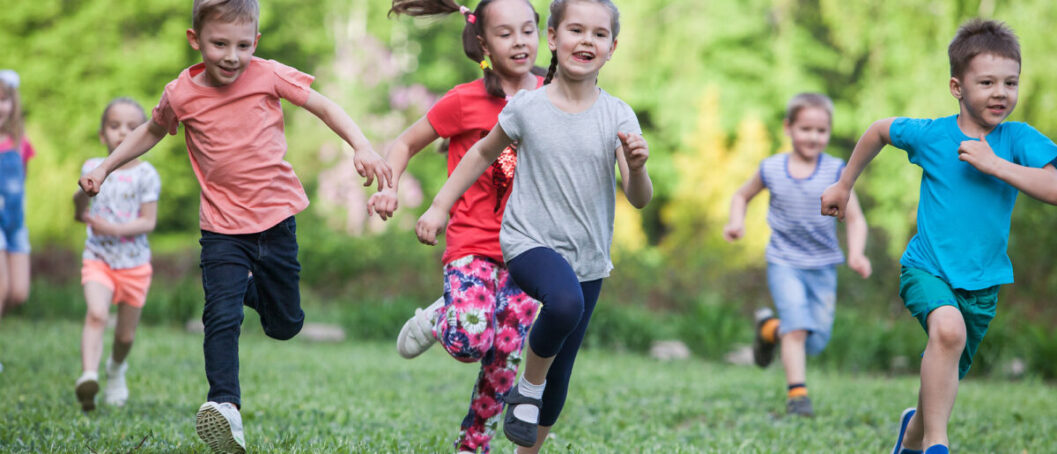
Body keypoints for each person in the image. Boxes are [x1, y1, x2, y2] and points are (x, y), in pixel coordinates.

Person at [77, 1, 391, 451]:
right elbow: (150, 129)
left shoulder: (268, 74)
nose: (231, 56)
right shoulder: (181, 93)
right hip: (222, 229)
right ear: (195, 40)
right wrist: (105, 168)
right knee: (219, 316)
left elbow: (323, 106)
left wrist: (361, 146)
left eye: (243, 45)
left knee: (286, 325)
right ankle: (225, 407)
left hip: (277, 222)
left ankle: (243, 289)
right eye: (219, 43)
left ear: (256, 43)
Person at [416, 1, 651, 451]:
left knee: (560, 371)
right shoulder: (528, 107)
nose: (586, 41)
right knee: (562, 304)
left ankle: (529, 435)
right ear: (553, 38)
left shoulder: (618, 116)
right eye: (575, 30)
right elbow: (482, 153)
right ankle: (526, 387)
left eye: (599, 34)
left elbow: (639, 198)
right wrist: (439, 207)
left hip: (589, 258)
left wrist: (638, 167)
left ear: (613, 47)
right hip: (527, 242)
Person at [820, 19, 1057, 454]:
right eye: (986, 82)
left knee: (940, 384)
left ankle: (915, 434)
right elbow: (879, 129)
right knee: (947, 331)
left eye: (1011, 82)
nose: (1001, 93)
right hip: (926, 268)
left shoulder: (1018, 139)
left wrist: (995, 164)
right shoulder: (932, 135)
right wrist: (844, 184)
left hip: (982, 286)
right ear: (957, 87)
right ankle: (936, 446)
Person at [377, 1, 543, 452]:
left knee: (503, 363)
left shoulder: (554, 94)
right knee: (471, 340)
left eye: (528, 30)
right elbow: (405, 142)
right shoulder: (464, 100)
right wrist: (389, 188)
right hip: (472, 242)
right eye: (506, 34)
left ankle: (473, 446)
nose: (520, 41)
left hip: (532, 253)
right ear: (485, 44)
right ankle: (441, 317)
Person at [723, 93, 871, 417]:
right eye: (806, 129)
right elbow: (741, 196)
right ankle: (798, 397)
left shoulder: (836, 170)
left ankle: (768, 329)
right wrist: (736, 222)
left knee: (814, 341)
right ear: (788, 128)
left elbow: (856, 218)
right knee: (798, 328)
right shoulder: (772, 168)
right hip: (784, 262)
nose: (814, 137)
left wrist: (857, 253)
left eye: (821, 131)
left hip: (823, 266)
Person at [73, 98, 160, 412]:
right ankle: (88, 376)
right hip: (99, 259)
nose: (122, 132)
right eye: (114, 126)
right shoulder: (91, 168)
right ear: (102, 134)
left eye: (131, 127)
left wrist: (111, 228)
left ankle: (115, 370)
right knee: (96, 314)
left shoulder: (146, 175)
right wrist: (80, 198)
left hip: (135, 265)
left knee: (125, 335)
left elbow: (148, 222)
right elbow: (79, 208)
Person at [0, 70, 35, 373]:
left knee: (18, 292)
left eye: (4, 100)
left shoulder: (20, 143)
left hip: (15, 225)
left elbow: (21, 184)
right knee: (1, 286)